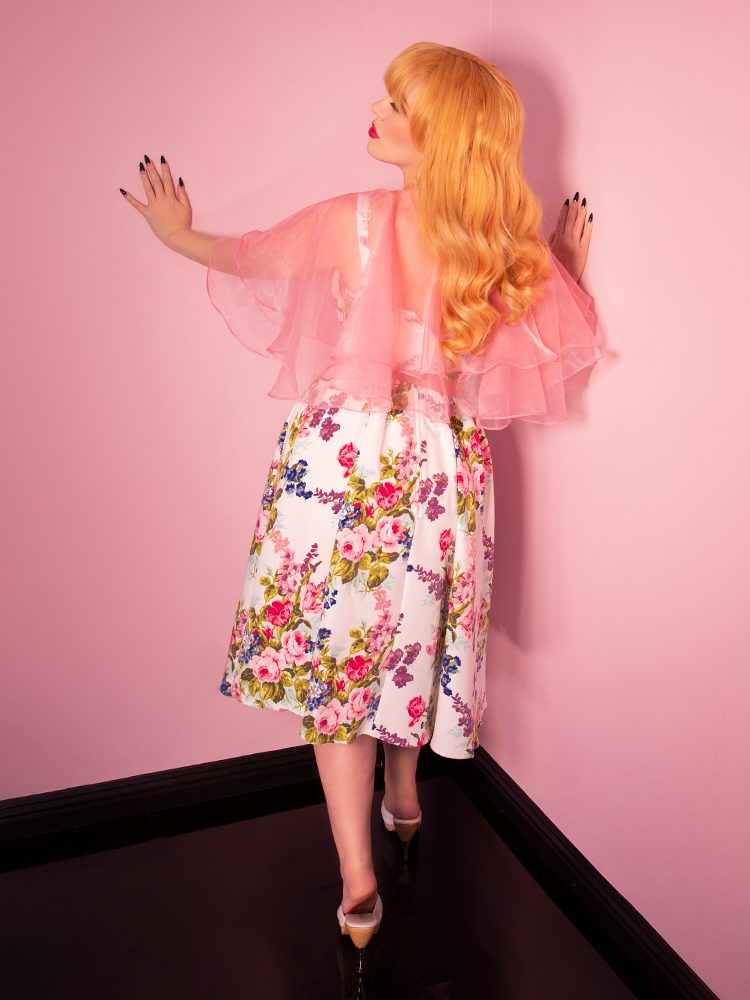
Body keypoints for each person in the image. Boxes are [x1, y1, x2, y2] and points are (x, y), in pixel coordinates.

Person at [122, 41, 599, 949]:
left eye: (397, 105)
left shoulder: (360, 219)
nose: (377, 113)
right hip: (443, 467)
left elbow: (253, 258)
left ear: (439, 136)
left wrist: (175, 234)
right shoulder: (498, 251)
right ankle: (405, 796)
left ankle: (357, 882)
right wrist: (564, 267)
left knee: (339, 664)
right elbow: (546, 332)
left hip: (343, 462)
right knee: (412, 633)